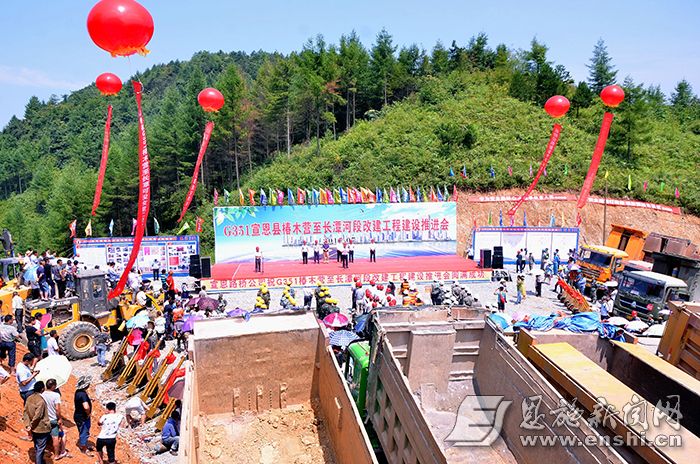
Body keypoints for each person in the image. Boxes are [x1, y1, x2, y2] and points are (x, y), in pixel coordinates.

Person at [23, 381, 51, 464]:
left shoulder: (29, 398)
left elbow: (25, 412)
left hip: (33, 428)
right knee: (40, 449)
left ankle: (41, 460)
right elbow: (38, 416)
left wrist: (28, 425)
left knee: (36, 445)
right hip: (41, 428)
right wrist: (31, 425)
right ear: (42, 389)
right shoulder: (41, 401)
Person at [43, 378, 69, 460]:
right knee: (55, 437)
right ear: (53, 386)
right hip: (53, 419)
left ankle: (44, 450)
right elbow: (57, 409)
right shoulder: (56, 395)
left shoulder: (42, 394)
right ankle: (57, 455)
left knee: (44, 435)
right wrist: (60, 419)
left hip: (44, 420)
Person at [73, 375, 93, 456]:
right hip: (83, 417)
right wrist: (88, 414)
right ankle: (84, 449)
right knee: (84, 432)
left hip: (78, 415)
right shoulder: (83, 394)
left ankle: (83, 444)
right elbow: (86, 407)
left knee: (82, 431)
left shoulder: (78, 392)